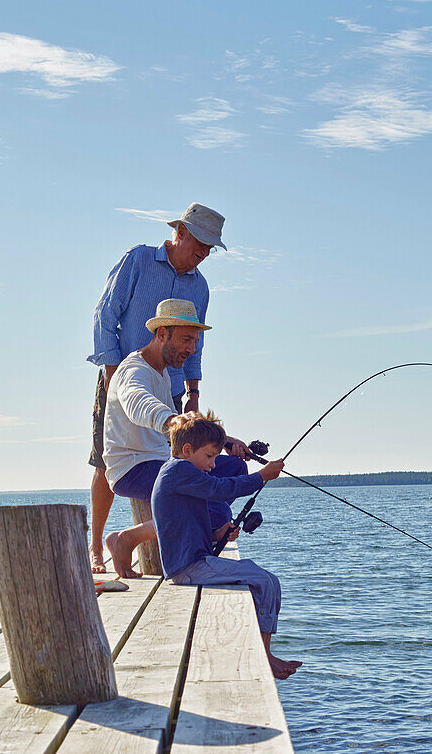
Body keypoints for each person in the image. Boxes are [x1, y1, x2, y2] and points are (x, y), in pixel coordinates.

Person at [87, 202, 227, 573]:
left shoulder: (200, 286)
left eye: (209, 249)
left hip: (172, 383)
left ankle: (154, 544)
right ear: (179, 232)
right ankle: (97, 548)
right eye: (200, 244)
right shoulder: (138, 260)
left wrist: (194, 394)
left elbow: (194, 345)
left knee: (180, 464)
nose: (203, 254)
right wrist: (114, 372)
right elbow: (106, 315)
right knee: (105, 460)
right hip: (123, 375)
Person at [102, 298, 248, 577]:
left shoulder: (162, 373)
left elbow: (185, 431)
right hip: (133, 468)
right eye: (185, 340)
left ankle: (202, 525)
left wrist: (225, 442)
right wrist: (172, 420)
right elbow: (139, 403)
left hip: (161, 461)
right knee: (214, 510)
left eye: (194, 341)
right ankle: (126, 539)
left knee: (235, 469)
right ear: (162, 334)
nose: (191, 349)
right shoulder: (133, 371)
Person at [152, 413, 302, 681]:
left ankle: (264, 652)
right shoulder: (178, 470)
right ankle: (263, 657)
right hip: (187, 568)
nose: (212, 464)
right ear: (187, 450)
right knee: (263, 581)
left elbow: (186, 525)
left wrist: (217, 533)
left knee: (269, 580)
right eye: (209, 456)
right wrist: (262, 477)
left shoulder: (183, 473)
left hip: (194, 561)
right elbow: (220, 489)